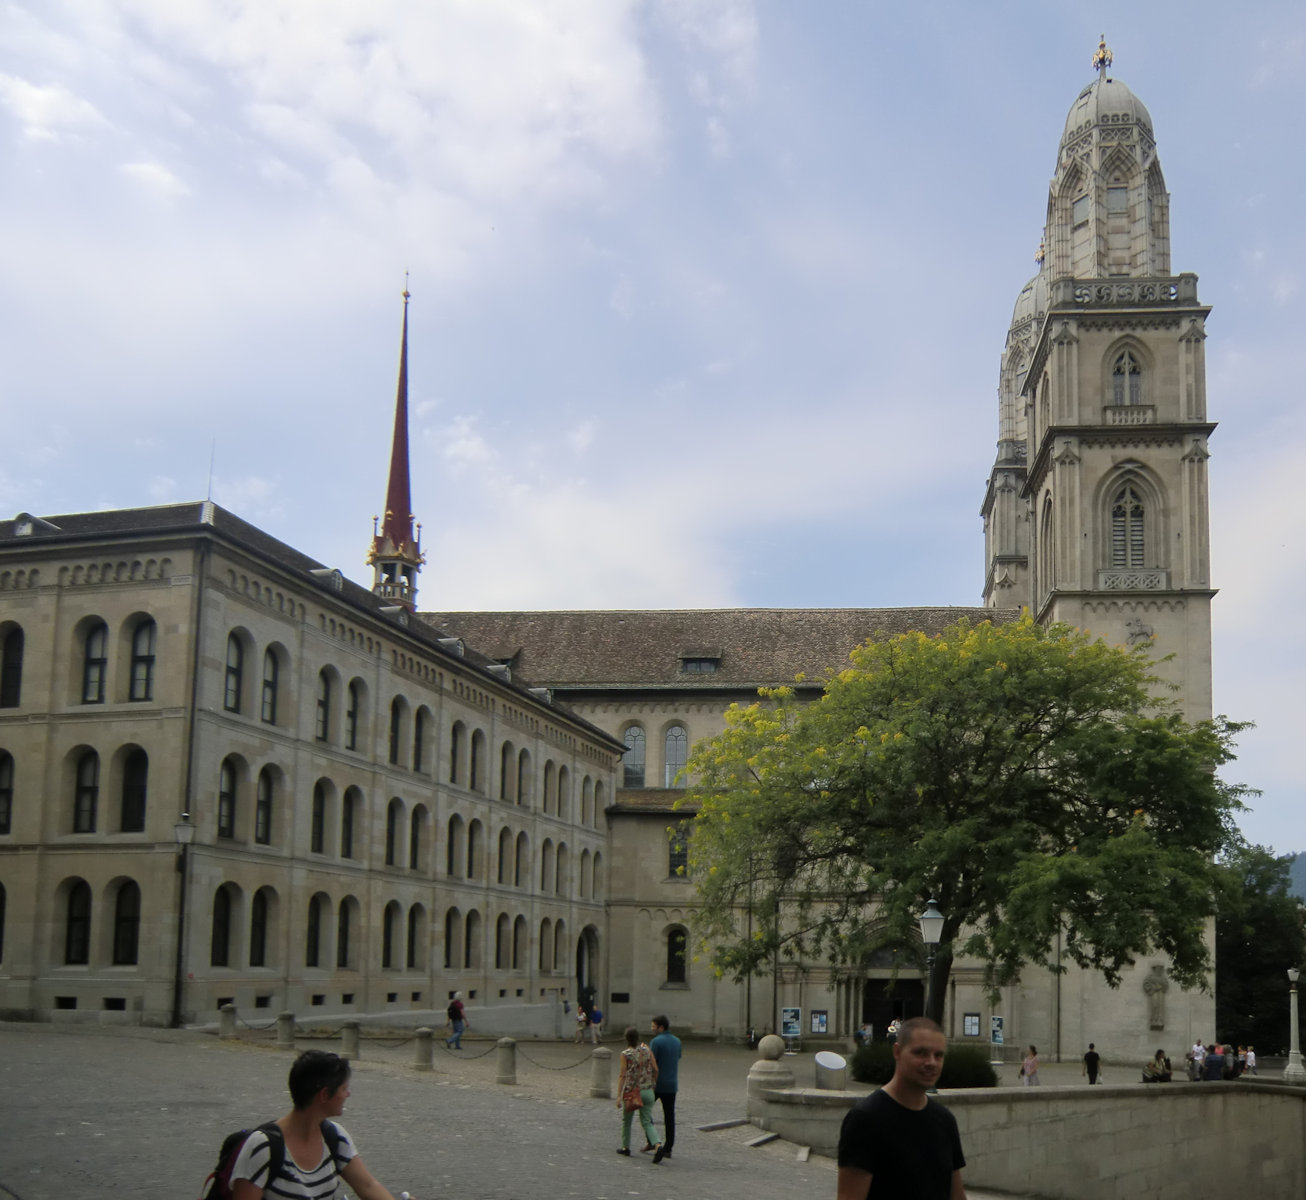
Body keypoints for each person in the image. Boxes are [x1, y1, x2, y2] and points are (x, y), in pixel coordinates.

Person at [231, 1050, 407, 1200]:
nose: (348, 1094)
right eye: (344, 1089)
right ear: (324, 1095)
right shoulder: (262, 1147)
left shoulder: (334, 1136)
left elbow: (368, 1185)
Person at [836, 1017, 967, 1200]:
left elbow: (956, 1195)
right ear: (897, 1051)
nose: (931, 1062)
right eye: (920, 1053)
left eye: (938, 1055)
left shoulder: (945, 1120)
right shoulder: (865, 1120)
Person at [616, 1025, 661, 1161]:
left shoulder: (625, 1054)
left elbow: (623, 1075)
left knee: (627, 1120)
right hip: (647, 1090)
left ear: (626, 1039)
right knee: (647, 1121)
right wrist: (653, 1084)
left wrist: (619, 1095)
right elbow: (655, 1068)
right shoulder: (647, 1050)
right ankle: (658, 1144)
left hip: (632, 1092)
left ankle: (626, 1147)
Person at [649, 1015, 682, 1163]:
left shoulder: (656, 1042)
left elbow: (651, 1061)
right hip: (671, 1084)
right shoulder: (677, 1041)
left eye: (653, 1026)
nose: (652, 1028)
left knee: (645, 1111)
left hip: (656, 1084)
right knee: (669, 1117)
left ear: (661, 1027)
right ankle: (668, 1147)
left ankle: (653, 1140)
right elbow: (678, 1056)